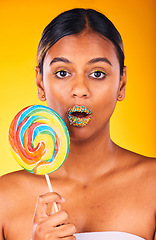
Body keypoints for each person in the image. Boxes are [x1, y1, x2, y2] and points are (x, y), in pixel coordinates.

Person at [0, 8, 156, 240]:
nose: (80, 90)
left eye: (98, 74)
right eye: (62, 73)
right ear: (40, 83)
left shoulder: (152, 185)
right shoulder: (4, 196)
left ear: (121, 84)